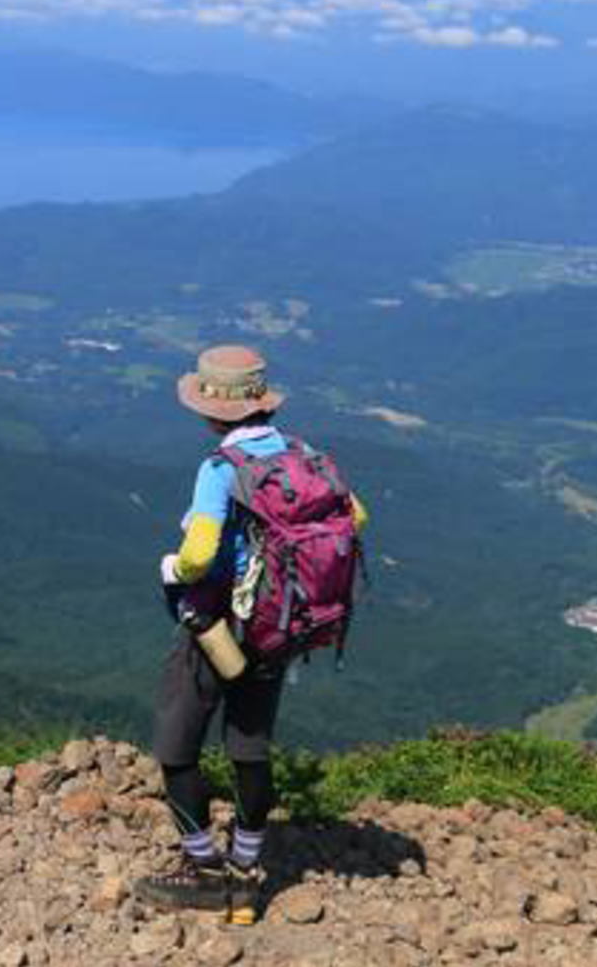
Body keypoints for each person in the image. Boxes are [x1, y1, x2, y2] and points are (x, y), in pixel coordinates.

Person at [134, 344, 367, 919]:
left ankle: (204, 868)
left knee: (177, 747)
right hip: (278, 626)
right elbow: (354, 518)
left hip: (216, 626)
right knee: (249, 751)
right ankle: (246, 876)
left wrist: (172, 569)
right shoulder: (305, 456)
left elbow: (199, 553)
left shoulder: (221, 469)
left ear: (212, 410)